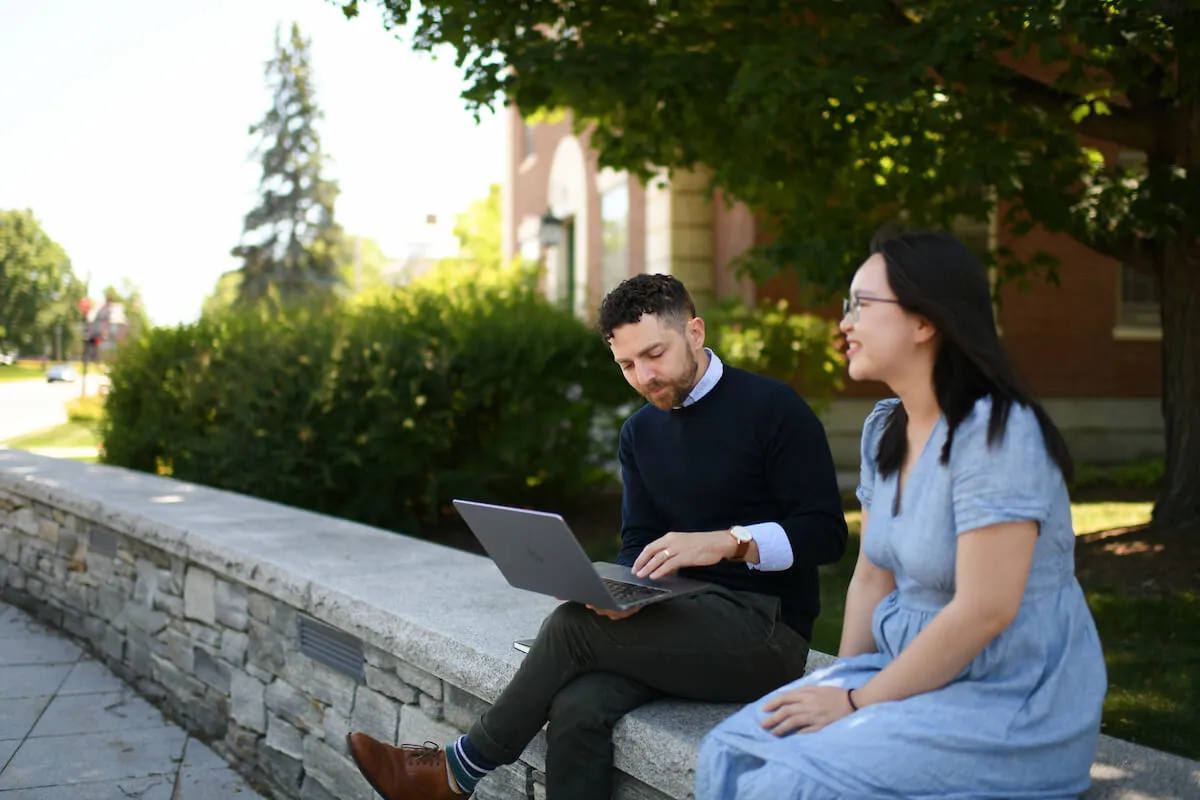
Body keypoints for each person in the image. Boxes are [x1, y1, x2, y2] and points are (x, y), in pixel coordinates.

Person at [346, 273, 848, 800]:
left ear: (695, 332)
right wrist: (617, 591)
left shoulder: (772, 408)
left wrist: (731, 541)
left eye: (655, 354)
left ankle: (456, 772)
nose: (644, 376)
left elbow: (826, 535)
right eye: (627, 365)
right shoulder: (640, 433)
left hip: (766, 631)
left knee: (569, 629)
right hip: (677, 624)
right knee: (577, 706)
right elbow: (637, 541)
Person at [695, 230, 1108, 799]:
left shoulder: (997, 435)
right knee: (729, 749)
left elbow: (986, 611)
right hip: (905, 676)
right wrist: (838, 684)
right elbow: (871, 576)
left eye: (862, 305)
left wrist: (855, 703)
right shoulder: (886, 430)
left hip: (1007, 701)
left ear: (924, 320)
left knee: (791, 784)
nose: (844, 323)